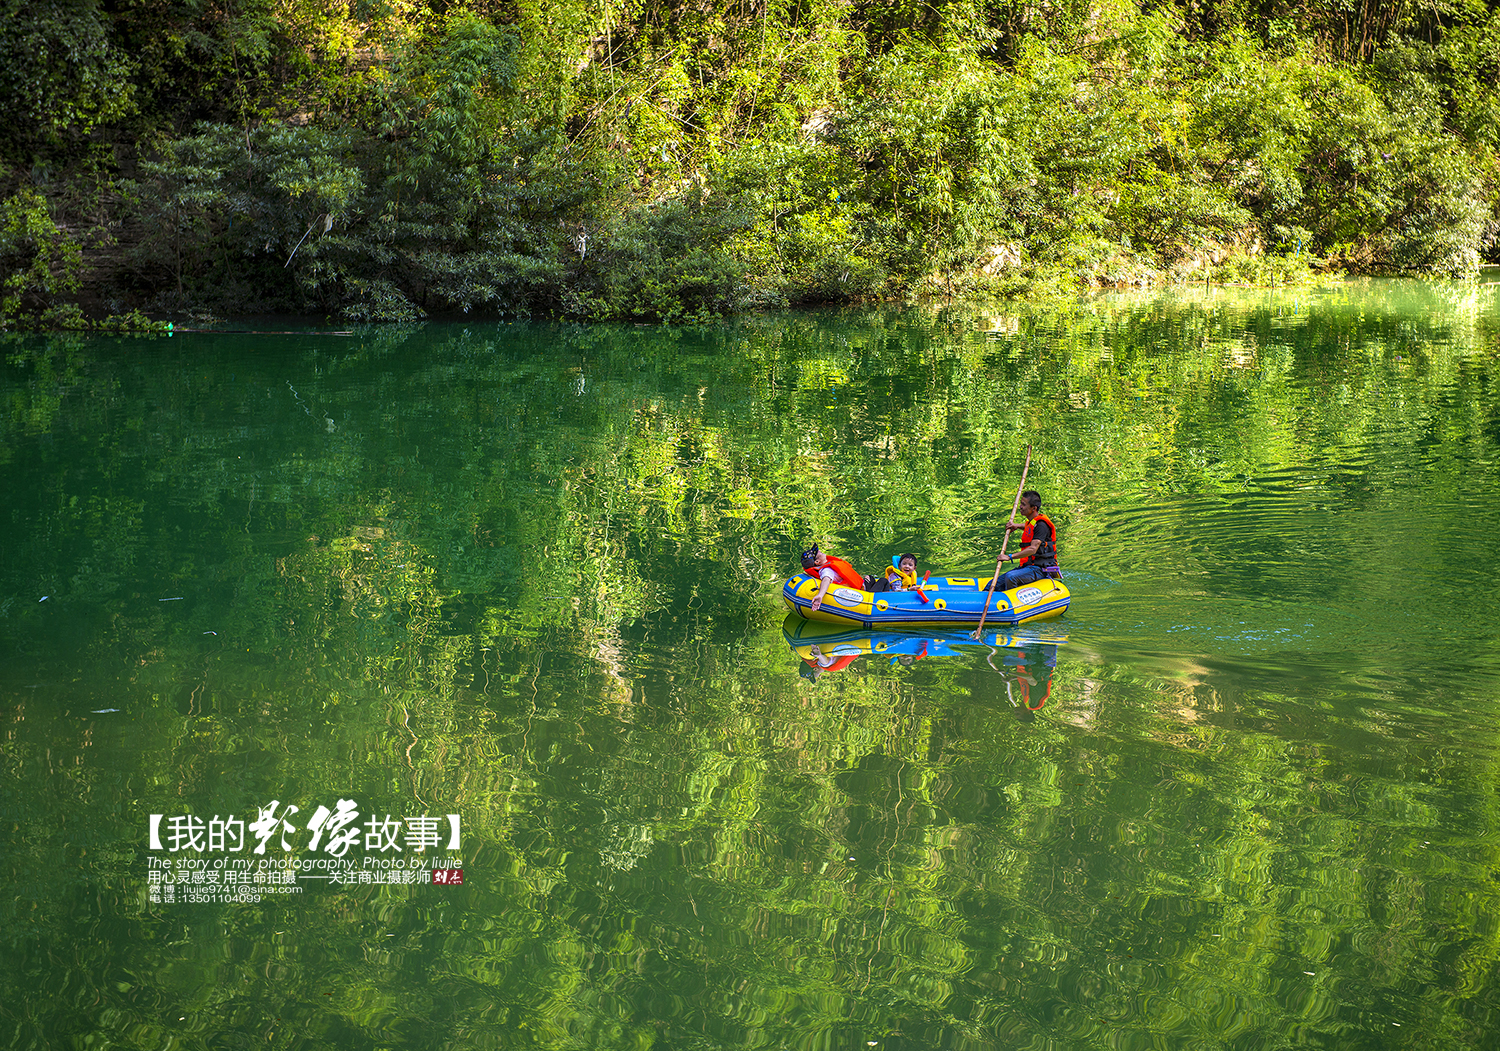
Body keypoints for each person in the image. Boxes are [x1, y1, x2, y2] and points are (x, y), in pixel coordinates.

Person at [993, 490, 1059, 591]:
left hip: (1041, 569)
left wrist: (1010, 557)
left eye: (1023, 504)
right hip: (1028, 566)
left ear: (1033, 508)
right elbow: (1029, 527)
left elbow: (1033, 549)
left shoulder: (1041, 526)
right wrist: (1016, 526)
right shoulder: (1032, 522)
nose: (1020, 507)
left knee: (1011, 577)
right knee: (993, 584)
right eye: (1020, 503)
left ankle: (1013, 597)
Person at [801, 545, 864, 612]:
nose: (819, 551)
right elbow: (826, 580)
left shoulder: (828, 564)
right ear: (817, 562)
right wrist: (820, 595)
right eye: (819, 553)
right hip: (860, 590)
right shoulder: (826, 570)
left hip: (861, 586)